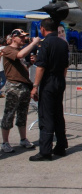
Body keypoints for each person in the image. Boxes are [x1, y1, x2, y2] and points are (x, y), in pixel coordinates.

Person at [29, 18, 69, 161]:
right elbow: (65, 66)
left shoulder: (45, 43)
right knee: (58, 114)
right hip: (59, 80)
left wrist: (35, 86)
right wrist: (61, 80)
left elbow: (41, 67)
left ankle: (45, 151)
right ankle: (61, 146)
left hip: (49, 81)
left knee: (46, 116)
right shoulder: (63, 43)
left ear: (43, 29)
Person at [0, 29, 40, 153]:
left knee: (22, 114)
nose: (23, 39)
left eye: (24, 37)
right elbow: (20, 56)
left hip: (24, 86)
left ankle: (23, 139)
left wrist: (30, 64)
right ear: (13, 38)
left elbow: (21, 65)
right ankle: (5, 142)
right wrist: (33, 44)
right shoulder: (7, 50)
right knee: (9, 114)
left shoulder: (20, 50)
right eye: (21, 37)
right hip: (14, 86)